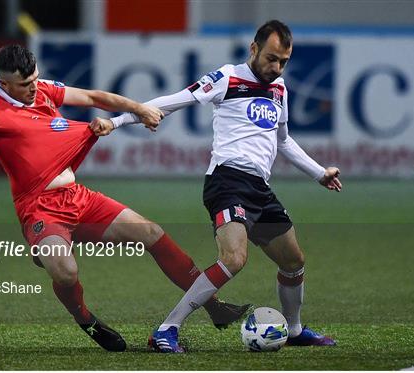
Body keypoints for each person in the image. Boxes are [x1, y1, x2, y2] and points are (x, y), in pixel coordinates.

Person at [0, 45, 250, 352]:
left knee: (151, 233)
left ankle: (213, 306)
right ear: (4, 83)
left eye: (35, 78)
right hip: (40, 209)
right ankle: (85, 319)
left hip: (77, 198)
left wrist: (138, 108)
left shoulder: (43, 89)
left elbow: (93, 97)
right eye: (25, 84)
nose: (33, 88)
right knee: (66, 272)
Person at [92, 20, 341, 352]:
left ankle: (293, 330)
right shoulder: (227, 78)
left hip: (259, 190)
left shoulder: (279, 88)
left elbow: (282, 141)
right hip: (226, 182)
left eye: (283, 61)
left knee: (294, 262)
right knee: (235, 258)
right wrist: (118, 120)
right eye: (271, 58)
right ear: (253, 49)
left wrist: (318, 172)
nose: (276, 67)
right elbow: (173, 101)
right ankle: (166, 329)